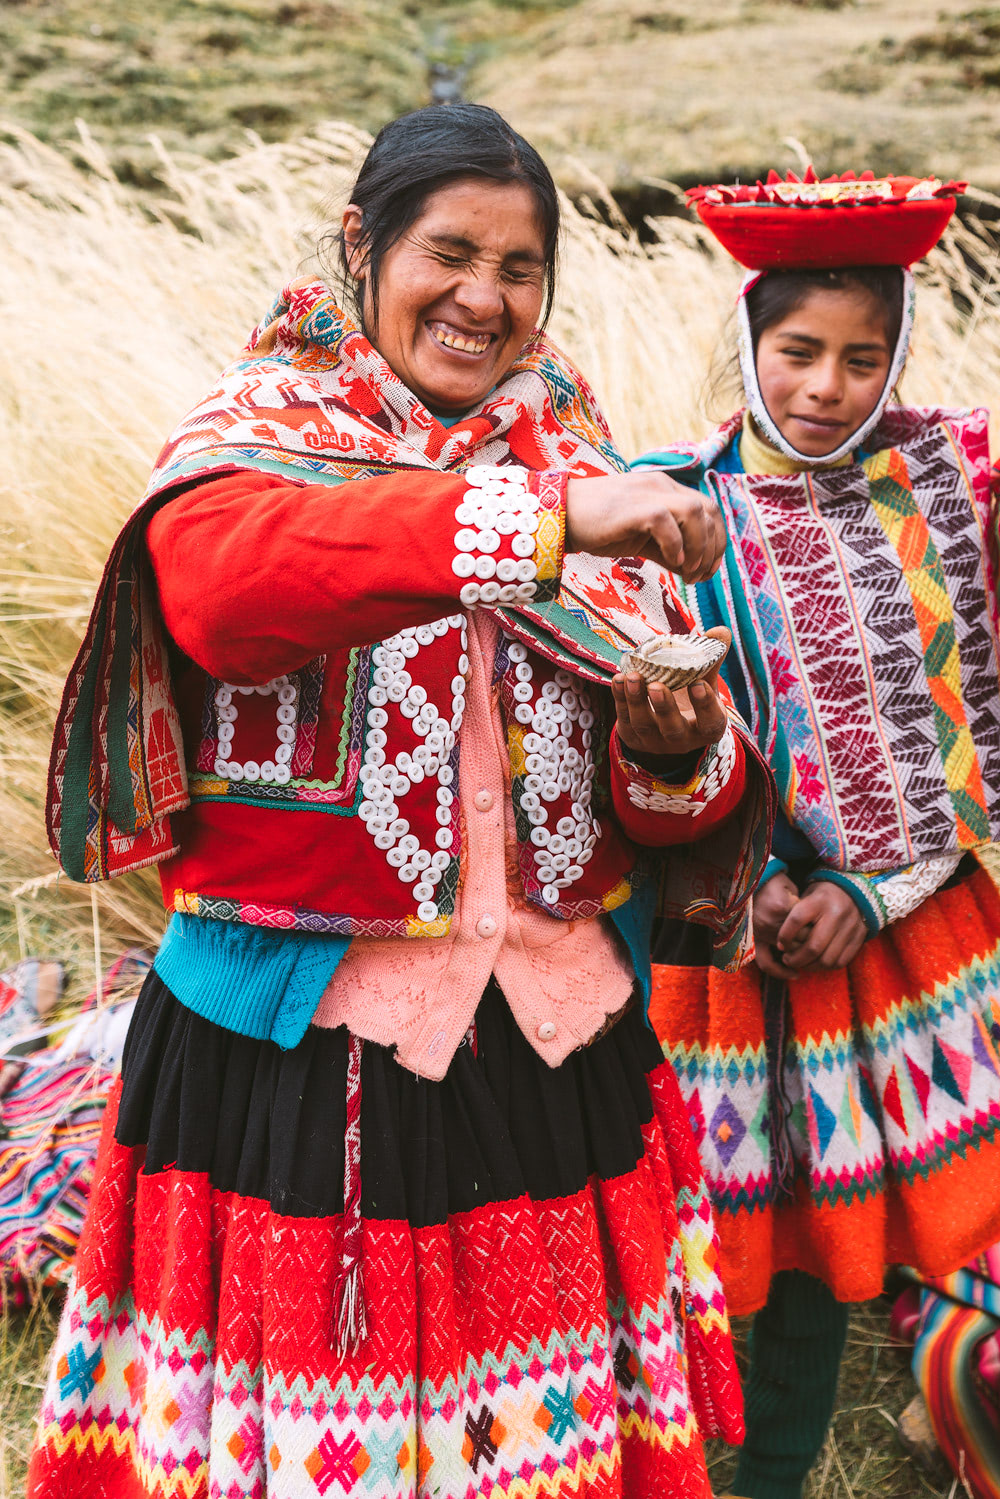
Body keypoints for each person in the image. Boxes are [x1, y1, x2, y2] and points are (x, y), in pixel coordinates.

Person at [28, 104, 774, 1499]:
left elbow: (659, 809)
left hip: (548, 1049)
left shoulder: (572, 439)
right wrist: (531, 523)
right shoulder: (259, 430)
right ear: (363, 246)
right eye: (450, 252)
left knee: (545, 1456)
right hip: (308, 1059)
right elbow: (223, 593)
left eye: (521, 266)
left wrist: (669, 754)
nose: (485, 298)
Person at [634, 168, 1000, 1499]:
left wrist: (880, 884)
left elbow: (971, 728)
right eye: (798, 351)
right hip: (718, 957)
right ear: (748, 344)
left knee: (890, 1228)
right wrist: (754, 894)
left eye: (862, 357)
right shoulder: (669, 511)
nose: (827, 387)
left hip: (905, 944)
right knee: (732, 1241)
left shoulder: (949, 493)